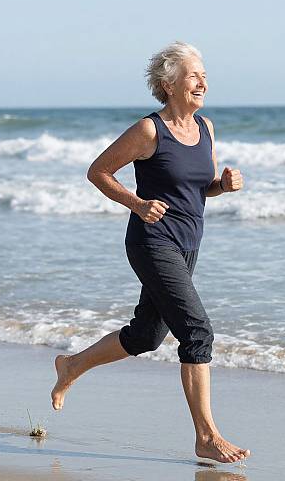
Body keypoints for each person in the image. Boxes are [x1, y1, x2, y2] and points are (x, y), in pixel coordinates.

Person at [51, 41, 250, 463]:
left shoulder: (206, 128)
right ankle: (207, 436)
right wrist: (137, 204)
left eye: (205, 75)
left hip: (187, 243)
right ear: (169, 83)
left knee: (146, 335)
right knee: (197, 333)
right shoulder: (148, 131)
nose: (203, 82)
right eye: (194, 75)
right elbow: (98, 171)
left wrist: (223, 186)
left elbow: (198, 190)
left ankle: (71, 367)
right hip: (151, 241)